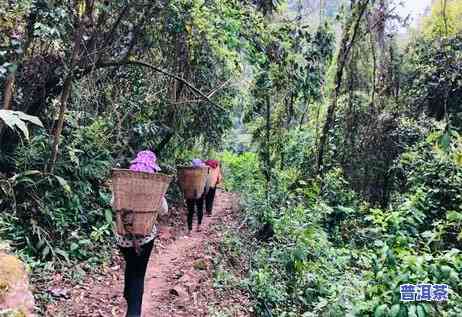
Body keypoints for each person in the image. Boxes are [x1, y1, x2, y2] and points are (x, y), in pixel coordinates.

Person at [114, 150, 167, 317]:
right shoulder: (155, 186)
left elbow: (113, 204)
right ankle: (133, 312)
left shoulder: (124, 183)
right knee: (139, 274)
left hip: (123, 238)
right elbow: (164, 210)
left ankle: (128, 295)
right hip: (144, 239)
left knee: (130, 266)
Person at [185, 159, 206, 234]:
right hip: (200, 192)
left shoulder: (188, 172)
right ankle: (199, 226)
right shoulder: (203, 172)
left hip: (190, 193)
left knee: (190, 211)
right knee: (199, 209)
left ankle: (189, 229)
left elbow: (184, 184)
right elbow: (205, 184)